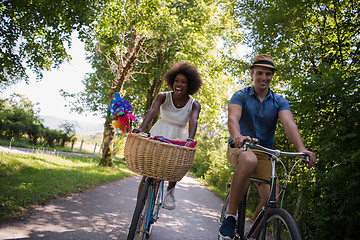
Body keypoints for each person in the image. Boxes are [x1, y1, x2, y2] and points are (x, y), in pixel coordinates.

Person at [219, 54, 317, 240]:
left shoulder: (279, 101)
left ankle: (252, 236)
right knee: (249, 159)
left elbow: (289, 124)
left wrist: (302, 149)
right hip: (240, 148)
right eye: (260, 73)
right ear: (252, 73)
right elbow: (233, 118)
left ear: (272, 76)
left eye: (268, 74)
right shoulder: (240, 95)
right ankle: (230, 217)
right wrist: (238, 136)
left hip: (265, 154)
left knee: (272, 201)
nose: (264, 77)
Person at [133, 62, 202, 210]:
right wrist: (141, 128)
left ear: (189, 85)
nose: (179, 84)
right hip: (160, 132)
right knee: (148, 173)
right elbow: (152, 112)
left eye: (183, 82)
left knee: (174, 167)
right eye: (176, 81)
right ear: (172, 81)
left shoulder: (194, 104)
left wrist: (190, 138)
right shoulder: (163, 96)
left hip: (179, 136)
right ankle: (138, 210)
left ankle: (170, 190)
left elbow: (193, 120)